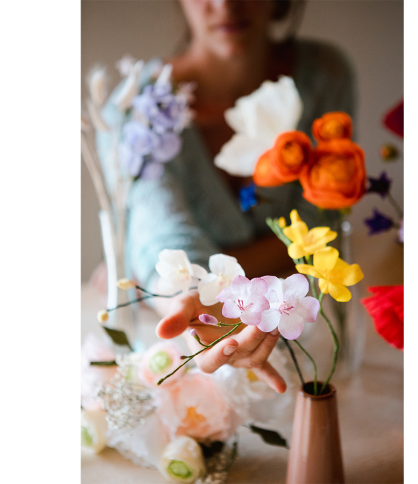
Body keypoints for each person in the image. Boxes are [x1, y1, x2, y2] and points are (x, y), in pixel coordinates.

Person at [97, 0, 356, 394]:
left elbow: (324, 225)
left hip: (307, 328)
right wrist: (189, 299)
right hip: (189, 342)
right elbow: (163, 240)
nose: (226, 5)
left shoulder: (323, 75)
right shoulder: (135, 109)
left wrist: (211, 287)